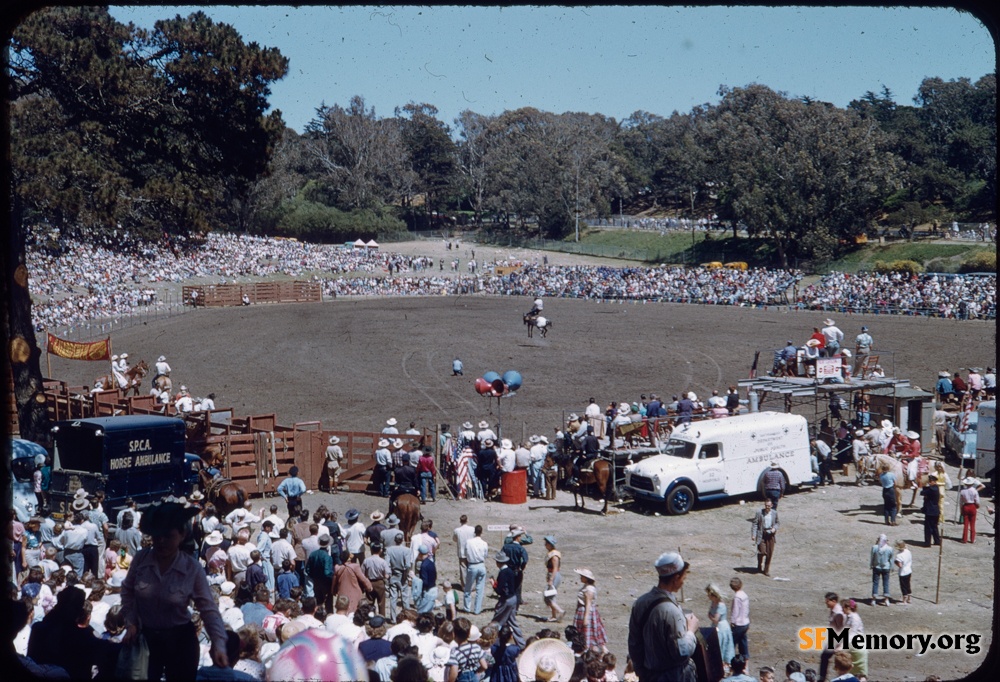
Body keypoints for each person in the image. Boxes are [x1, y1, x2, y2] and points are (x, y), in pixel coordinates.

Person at [121, 502, 229, 680]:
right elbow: (127, 591)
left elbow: (208, 609)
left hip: (180, 642)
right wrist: (131, 622)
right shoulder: (141, 560)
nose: (161, 542)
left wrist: (218, 643)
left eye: (168, 536)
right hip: (147, 640)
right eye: (157, 537)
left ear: (182, 535)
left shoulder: (192, 568)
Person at [628, 551, 698, 682]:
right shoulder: (671, 611)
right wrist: (691, 631)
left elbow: (634, 644)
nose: (683, 581)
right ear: (676, 578)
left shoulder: (640, 602)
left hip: (649, 676)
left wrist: (641, 672)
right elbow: (681, 653)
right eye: (683, 577)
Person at [490, 551, 526, 648]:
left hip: (505, 600)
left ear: (498, 562)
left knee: (496, 621)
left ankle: (492, 641)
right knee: (512, 622)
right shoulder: (510, 571)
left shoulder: (502, 573)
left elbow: (499, 590)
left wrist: (493, 583)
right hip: (513, 598)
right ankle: (522, 644)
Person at [573, 567, 607, 652]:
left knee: (588, 633)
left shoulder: (589, 589)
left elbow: (588, 604)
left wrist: (586, 618)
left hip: (586, 612)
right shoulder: (587, 587)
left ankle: (591, 650)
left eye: (582, 576)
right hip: (584, 611)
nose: (580, 578)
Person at [446, 617, 487, 682]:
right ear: (468, 634)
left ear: (453, 634)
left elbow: (454, 673)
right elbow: (484, 666)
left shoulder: (455, 652)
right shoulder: (477, 647)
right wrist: (476, 672)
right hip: (474, 677)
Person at [707, 584, 735, 675]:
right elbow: (710, 615)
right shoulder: (713, 603)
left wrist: (711, 617)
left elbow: (715, 619)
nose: (708, 597)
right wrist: (711, 617)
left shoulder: (721, 605)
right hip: (716, 627)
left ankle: (724, 667)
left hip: (721, 627)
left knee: (721, 646)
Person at [463, 525, 489, 615]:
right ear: (481, 532)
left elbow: (466, 553)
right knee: (480, 589)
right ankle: (477, 609)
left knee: (468, 588)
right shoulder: (484, 543)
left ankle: (467, 608)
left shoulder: (469, 542)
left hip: (472, 565)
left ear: (474, 532)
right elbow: (485, 555)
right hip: (481, 565)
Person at [751, 498, 779, 576]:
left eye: (769, 506)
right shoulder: (759, 513)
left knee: (769, 553)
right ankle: (759, 564)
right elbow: (755, 524)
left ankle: (766, 570)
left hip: (770, 535)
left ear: (772, 505)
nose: (767, 507)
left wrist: (774, 528)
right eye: (766, 506)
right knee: (762, 551)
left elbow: (777, 523)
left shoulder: (774, 513)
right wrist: (753, 534)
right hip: (761, 534)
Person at [543, 536, 565, 622]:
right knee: (552, 596)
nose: (545, 545)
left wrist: (551, 579)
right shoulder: (552, 553)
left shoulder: (554, 555)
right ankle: (553, 615)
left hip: (554, 575)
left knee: (548, 597)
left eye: (546, 543)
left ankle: (560, 611)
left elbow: (555, 568)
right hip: (553, 575)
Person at [730, 577, 750, 662]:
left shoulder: (737, 597)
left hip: (738, 624)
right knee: (743, 641)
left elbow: (735, 611)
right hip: (745, 622)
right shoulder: (745, 595)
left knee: (732, 642)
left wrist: (732, 622)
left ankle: (730, 658)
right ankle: (745, 657)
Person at [869, 534, 893, 606]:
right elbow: (891, 559)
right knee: (886, 583)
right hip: (886, 568)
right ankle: (886, 599)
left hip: (876, 567)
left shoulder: (874, 547)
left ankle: (874, 599)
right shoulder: (889, 549)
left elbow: (872, 557)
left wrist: (871, 565)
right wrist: (891, 567)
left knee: (875, 582)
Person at [453, 515, 476, 586]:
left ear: (460, 521)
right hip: (470, 551)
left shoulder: (457, 530)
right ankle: (471, 584)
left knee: (463, 569)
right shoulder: (472, 529)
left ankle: (464, 586)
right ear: (467, 520)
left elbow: (454, 539)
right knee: (471, 567)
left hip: (462, 552)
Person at [920, 473, 942, 547]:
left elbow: (922, 492)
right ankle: (937, 540)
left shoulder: (932, 489)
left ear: (934, 481)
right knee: (934, 527)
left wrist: (924, 486)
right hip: (935, 511)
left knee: (928, 528)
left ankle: (927, 542)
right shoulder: (936, 488)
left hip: (930, 511)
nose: (929, 482)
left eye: (930, 481)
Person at [959, 477, 982, 543]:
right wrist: (978, 505)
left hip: (965, 506)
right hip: (972, 506)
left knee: (966, 524)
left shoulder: (963, 491)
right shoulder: (974, 491)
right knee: (972, 523)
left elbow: (961, 502)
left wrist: (961, 510)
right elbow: (977, 500)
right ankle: (972, 539)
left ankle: (964, 539)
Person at [893, 540, 912, 604]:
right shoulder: (908, 551)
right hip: (909, 570)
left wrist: (895, 562)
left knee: (903, 586)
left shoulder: (899, 555)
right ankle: (909, 598)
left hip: (903, 572)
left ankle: (904, 601)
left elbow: (900, 565)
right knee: (908, 584)